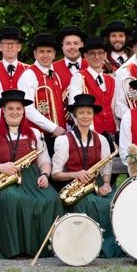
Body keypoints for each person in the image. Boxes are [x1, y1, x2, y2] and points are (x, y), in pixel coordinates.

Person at [0, 90, 62, 258]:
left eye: (18, 108)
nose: (15, 112)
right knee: (13, 200)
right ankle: (16, 249)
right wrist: (2, 167)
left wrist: (45, 175)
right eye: (10, 109)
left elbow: (44, 161)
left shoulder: (35, 133)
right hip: (2, 178)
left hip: (31, 177)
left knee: (52, 199)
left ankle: (47, 248)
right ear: (3, 111)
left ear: (23, 111)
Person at [51, 94, 118, 257]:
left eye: (88, 112)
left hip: (96, 185)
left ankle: (113, 246)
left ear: (93, 115)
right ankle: (94, 247)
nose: (85, 116)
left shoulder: (101, 139)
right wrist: (76, 174)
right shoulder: (63, 140)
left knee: (114, 202)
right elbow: (55, 174)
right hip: (74, 188)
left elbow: (106, 168)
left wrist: (107, 184)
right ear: (74, 116)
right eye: (81, 113)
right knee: (94, 204)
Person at [18, 33, 67, 152]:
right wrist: (53, 128)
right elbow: (27, 109)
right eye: (41, 51)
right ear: (35, 54)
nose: (45, 55)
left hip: (58, 133)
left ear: (54, 54)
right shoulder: (29, 75)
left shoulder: (55, 75)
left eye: (49, 51)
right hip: (39, 135)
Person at [66, 36, 117, 145]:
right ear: (85, 56)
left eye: (100, 53)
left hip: (111, 134)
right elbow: (74, 108)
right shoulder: (79, 77)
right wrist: (88, 133)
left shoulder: (111, 80)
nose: (97, 56)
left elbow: (114, 108)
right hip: (89, 134)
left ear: (105, 55)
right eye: (92, 53)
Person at [0, 26, 28, 91]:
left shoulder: (29, 71)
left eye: (12, 43)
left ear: (19, 47)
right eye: (6, 43)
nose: (9, 46)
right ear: (0, 47)